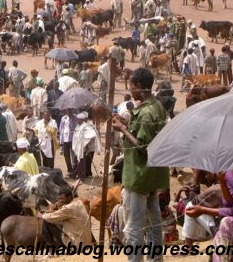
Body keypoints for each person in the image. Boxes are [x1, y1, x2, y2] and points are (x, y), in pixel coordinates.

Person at [111, 67, 169, 262]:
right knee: (154, 225)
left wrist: (122, 129)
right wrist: (127, 126)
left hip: (138, 176)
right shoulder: (158, 107)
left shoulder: (145, 113)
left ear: (138, 87)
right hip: (154, 176)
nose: (131, 90)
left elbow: (143, 146)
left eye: (131, 86)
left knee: (134, 228)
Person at [185, 169, 233, 262]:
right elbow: (230, 206)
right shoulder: (228, 176)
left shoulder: (215, 189)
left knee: (228, 222)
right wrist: (224, 183)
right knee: (228, 222)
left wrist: (204, 210)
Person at [71, 112, 101, 179]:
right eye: (77, 119)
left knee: (81, 163)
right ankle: (76, 174)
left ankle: (82, 176)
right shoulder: (78, 125)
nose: (77, 121)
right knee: (76, 162)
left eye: (78, 119)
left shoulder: (86, 126)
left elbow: (92, 135)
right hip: (77, 147)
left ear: (82, 119)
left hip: (82, 148)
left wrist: (86, 144)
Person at [58, 109, 77, 175]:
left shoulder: (75, 117)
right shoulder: (63, 118)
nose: (69, 112)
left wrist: (70, 126)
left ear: (72, 110)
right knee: (66, 156)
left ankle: (75, 170)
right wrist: (61, 141)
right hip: (65, 140)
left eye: (70, 110)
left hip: (73, 139)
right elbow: (61, 130)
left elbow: (76, 127)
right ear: (66, 111)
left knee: (74, 156)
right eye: (68, 110)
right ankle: (69, 169)